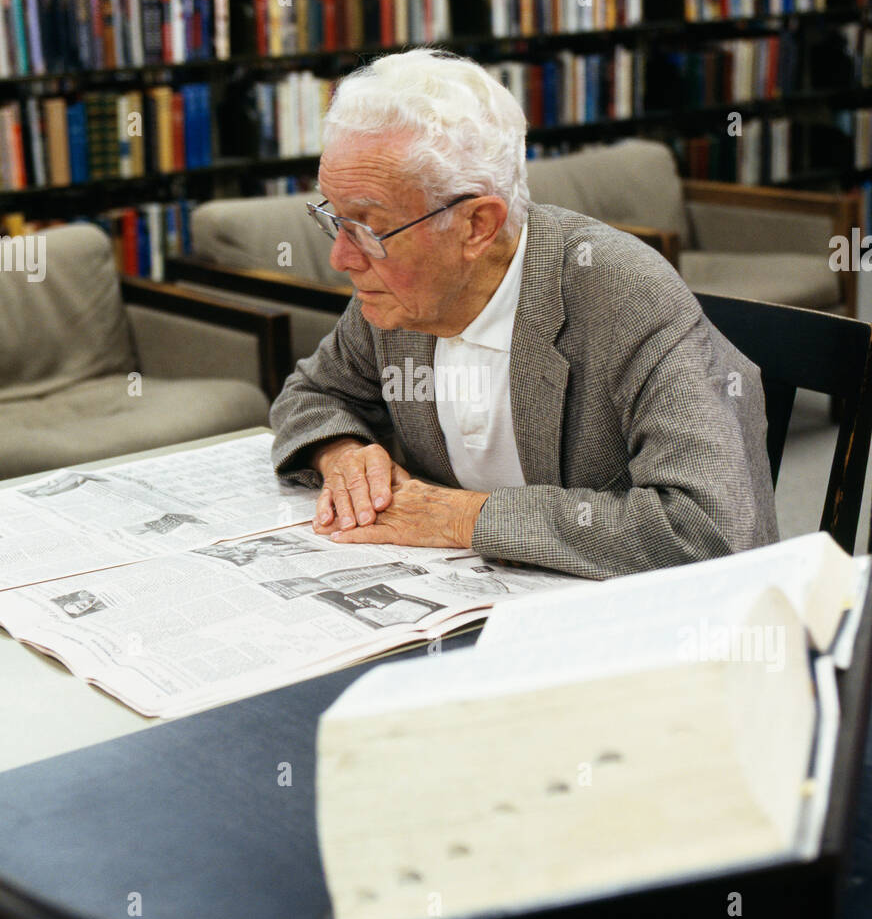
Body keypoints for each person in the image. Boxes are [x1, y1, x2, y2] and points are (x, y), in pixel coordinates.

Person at [269, 49, 778, 579]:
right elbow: (311, 394)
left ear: (477, 226)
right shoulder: (398, 295)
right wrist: (342, 454)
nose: (341, 258)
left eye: (368, 228)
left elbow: (709, 528)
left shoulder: (627, 298)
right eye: (335, 218)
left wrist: (462, 517)